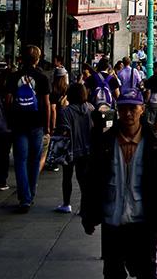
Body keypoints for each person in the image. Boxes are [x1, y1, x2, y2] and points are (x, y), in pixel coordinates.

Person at [81, 87, 157, 279]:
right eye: (124, 108)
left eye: (133, 108)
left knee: (145, 271)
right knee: (113, 273)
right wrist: (89, 215)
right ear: (118, 110)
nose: (128, 113)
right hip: (112, 222)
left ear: (142, 109)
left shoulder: (156, 145)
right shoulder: (105, 143)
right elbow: (92, 181)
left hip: (143, 224)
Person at [6, 45, 51, 212]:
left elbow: (8, 100)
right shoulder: (42, 78)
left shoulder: (13, 77)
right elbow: (46, 104)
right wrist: (47, 126)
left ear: (21, 58)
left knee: (20, 160)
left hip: (19, 123)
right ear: (37, 59)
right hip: (37, 123)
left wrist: (10, 120)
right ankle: (30, 194)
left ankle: (24, 198)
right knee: (34, 160)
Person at [56, 83, 93, 214]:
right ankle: (85, 207)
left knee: (67, 177)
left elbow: (63, 132)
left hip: (70, 149)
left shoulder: (66, 112)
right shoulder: (90, 109)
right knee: (83, 178)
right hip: (87, 149)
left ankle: (66, 204)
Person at [45, 66, 70, 171]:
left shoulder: (53, 90)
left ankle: (52, 160)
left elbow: (53, 109)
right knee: (62, 140)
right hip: (65, 118)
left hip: (58, 118)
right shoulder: (67, 89)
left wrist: (52, 124)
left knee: (54, 140)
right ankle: (56, 159)